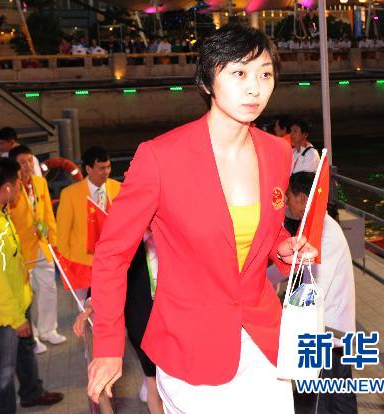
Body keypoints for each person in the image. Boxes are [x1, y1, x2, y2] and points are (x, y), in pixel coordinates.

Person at [87, 24, 317, 413]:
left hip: (262, 337)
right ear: (208, 81)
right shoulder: (160, 158)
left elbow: (261, 230)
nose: (254, 88)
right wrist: (108, 347)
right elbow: (111, 254)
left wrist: (283, 246)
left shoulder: (276, 153)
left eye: (264, 74)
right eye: (239, 73)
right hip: (191, 347)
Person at [0, 157, 64, 413]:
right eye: (19, 184)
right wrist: (15, 318)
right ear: (7, 188)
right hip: (4, 315)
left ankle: (32, 393)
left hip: (19, 301)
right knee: (2, 372)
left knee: (25, 352)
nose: (21, 188)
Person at [283, 172, 357, 414]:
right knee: (340, 402)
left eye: (288, 197)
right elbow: (293, 267)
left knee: (317, 403)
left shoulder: (324, 234)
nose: (286, 204)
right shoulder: (316, 227)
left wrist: (285, 314)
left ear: (303, 198)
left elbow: (315, 290)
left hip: (327, 334)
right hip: (333, 332)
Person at [74, 236, 163, 414]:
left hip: (183, 321)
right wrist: (91, 302)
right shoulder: (131, 234)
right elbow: (112, 264)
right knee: (155, 386)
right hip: (145, 324)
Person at [7, 145, 66, 354]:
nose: (27, 166)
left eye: (30, 161)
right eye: (22, 162)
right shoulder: (10, 187)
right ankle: (32, 337)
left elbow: (48, 213)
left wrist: (55, 243)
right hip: (21, 249)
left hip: (42, 244)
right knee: (26, 295)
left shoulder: (40, 182)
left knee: (49, 288)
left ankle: (48, 329)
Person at [56, 146, 122, 303]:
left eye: (108, 167)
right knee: (84, 310)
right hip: (81, 264)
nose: (106, 172)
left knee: (110, 305)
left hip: (111, 262)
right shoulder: (69, 194)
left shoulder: (118, 188)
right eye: (101, 168)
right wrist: (69, 265)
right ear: (88, 169)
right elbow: (62, 234)